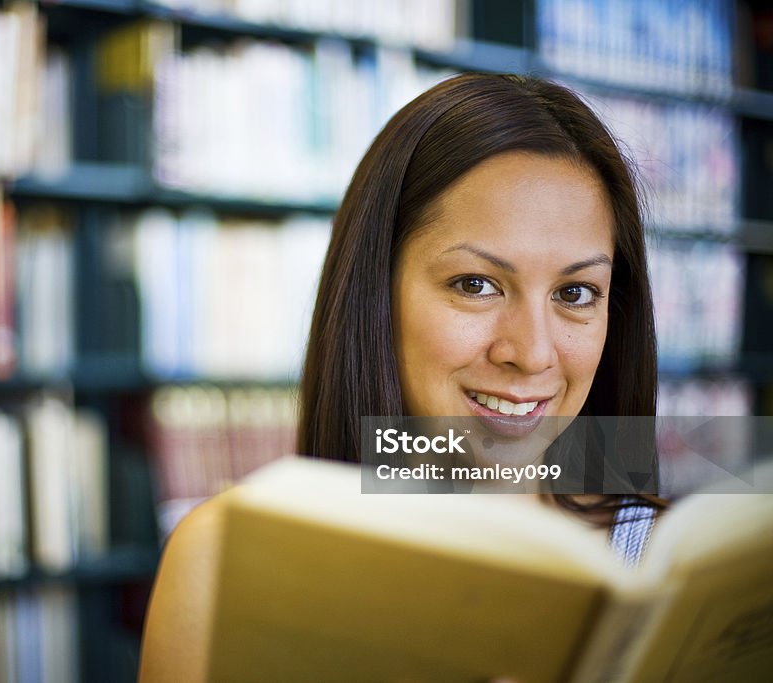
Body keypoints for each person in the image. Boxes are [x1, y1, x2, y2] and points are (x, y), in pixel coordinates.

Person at [138, 73, 666, 682]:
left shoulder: (670, 566)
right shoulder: (225, 559)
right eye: (475, 284)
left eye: (575, 293)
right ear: (375, 293)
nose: (532, 353)